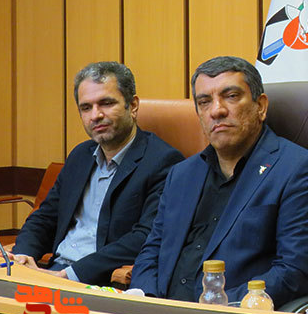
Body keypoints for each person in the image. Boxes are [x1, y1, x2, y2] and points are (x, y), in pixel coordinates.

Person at [130, 56, 308, 306]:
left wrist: (214, 305)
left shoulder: (298, 170)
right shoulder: (181, 174)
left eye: (231, 96)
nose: (217, 110)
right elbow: (151, 251)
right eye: (204, 102)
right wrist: (147, 299)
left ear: (261, 107)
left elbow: (294, 275)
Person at [9, 62, 183, 285]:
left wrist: (68, 275)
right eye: (86, 107)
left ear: (133, 105)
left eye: (106, 103)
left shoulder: (163, 161)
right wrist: (23, 256)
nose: (96, 115)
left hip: (98, 281)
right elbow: (45, 217)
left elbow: (144, 236)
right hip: (52, 272)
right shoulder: (80, 155)